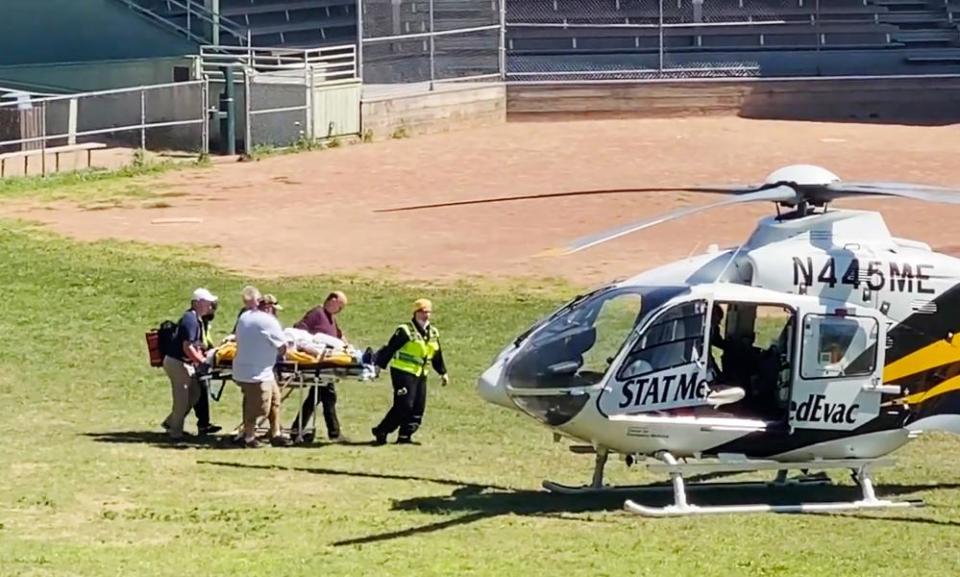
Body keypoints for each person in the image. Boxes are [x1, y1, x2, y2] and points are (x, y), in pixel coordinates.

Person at [371, 298, 450, 445]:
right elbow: (390, 348)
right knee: (404, 404)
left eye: (428, 312)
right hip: (403, 371)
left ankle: (405, 435)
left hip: (421, 373)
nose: (425, 315)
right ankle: (382, 430)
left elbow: (436, 354)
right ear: (415, 312)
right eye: (422, 311)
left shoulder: (433, 332)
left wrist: (442, 372)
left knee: (418, 406)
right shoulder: (405, 330)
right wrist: (379, 367)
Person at [233, 293, 292, 448]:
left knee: (274, 400)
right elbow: (282, 347)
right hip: (256, 372)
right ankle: (248, 438)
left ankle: (275, 433)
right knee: (259, 407)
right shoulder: (268, 321)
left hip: (252, 368)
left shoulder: (245, 316)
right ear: (268, 307)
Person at [289, 291, 348, 442]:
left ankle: (298, 429)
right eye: (340, 306)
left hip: (326, 363)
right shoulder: (317, 313)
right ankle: (333, 433)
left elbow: (339, 336)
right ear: (332, 300)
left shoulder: (331, 318)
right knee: (326, 396)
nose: (340, 310)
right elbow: (298, 331)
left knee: (318, 397)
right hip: (317, 363)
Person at [162, 288, 218, 440]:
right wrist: (201, 362)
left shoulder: (197, 319)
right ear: (198, 303)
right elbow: (188, 347)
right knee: (182, 399)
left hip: (184, 363)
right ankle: (176, 433)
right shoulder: (190, 319)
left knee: (195, 394)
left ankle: (171, 422)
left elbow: (195, 345)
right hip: (177, 363)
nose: (211, 305)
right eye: (208, 302)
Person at [191, 300, 222, 435]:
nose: (213, 312)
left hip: (200, 361)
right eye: (211, 309)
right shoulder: (197, 322)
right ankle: (203, 424)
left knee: (199, 393)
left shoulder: (204, 324)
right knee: (198, 393)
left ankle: (204, 423)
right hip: (196, 362)